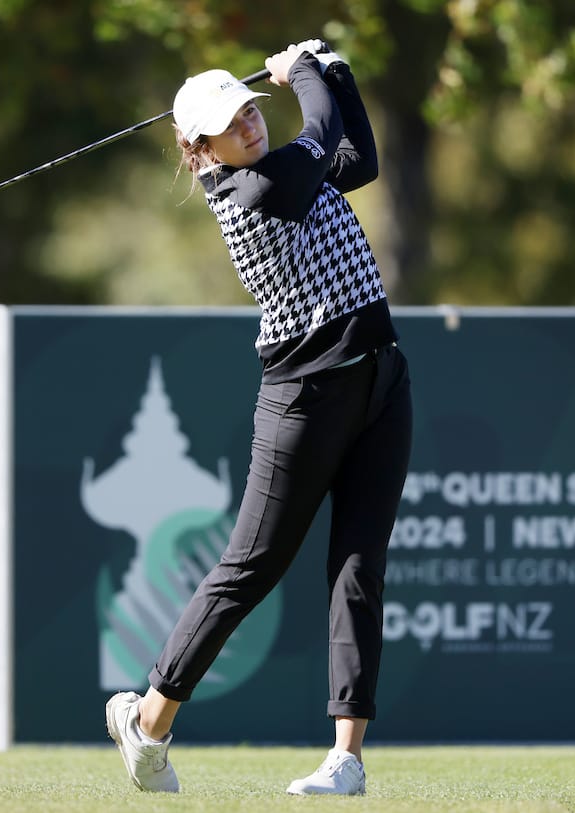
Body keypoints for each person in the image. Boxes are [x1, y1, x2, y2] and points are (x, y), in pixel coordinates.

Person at [105, 39, 413, 797]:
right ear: (202, 149)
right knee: (251, 567)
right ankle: (149, 720)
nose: (248, 125)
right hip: (305, 398)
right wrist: (302, 73)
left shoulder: (288, 171)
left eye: (249, 110)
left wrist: (335, 72)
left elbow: (357, 159)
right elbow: (316, 139)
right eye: (230, 124)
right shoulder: (249, 193)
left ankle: (347, 759)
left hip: (379, 380)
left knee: (360, 566)